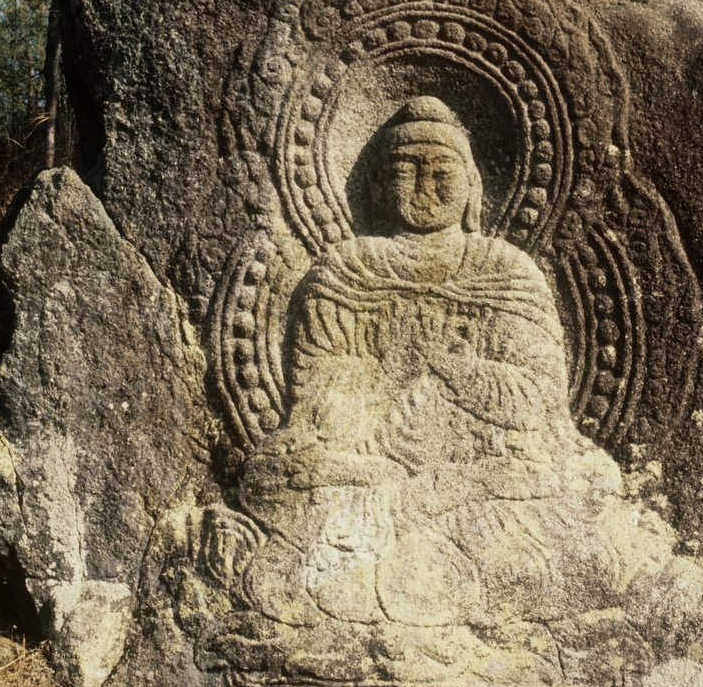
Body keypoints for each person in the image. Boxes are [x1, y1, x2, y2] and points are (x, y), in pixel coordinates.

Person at [238, 97, 636, 649]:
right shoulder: (344, 274)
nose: (425, 183)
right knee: (274, 488)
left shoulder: (506, 273)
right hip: (365, 473)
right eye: (405, 170)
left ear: (473, 185)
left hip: (495, 479)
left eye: (442, 170)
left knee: (586, 520)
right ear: (376, 188)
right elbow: (317, 396)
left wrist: (449, 369)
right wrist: (387, 386)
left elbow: (538, 399)